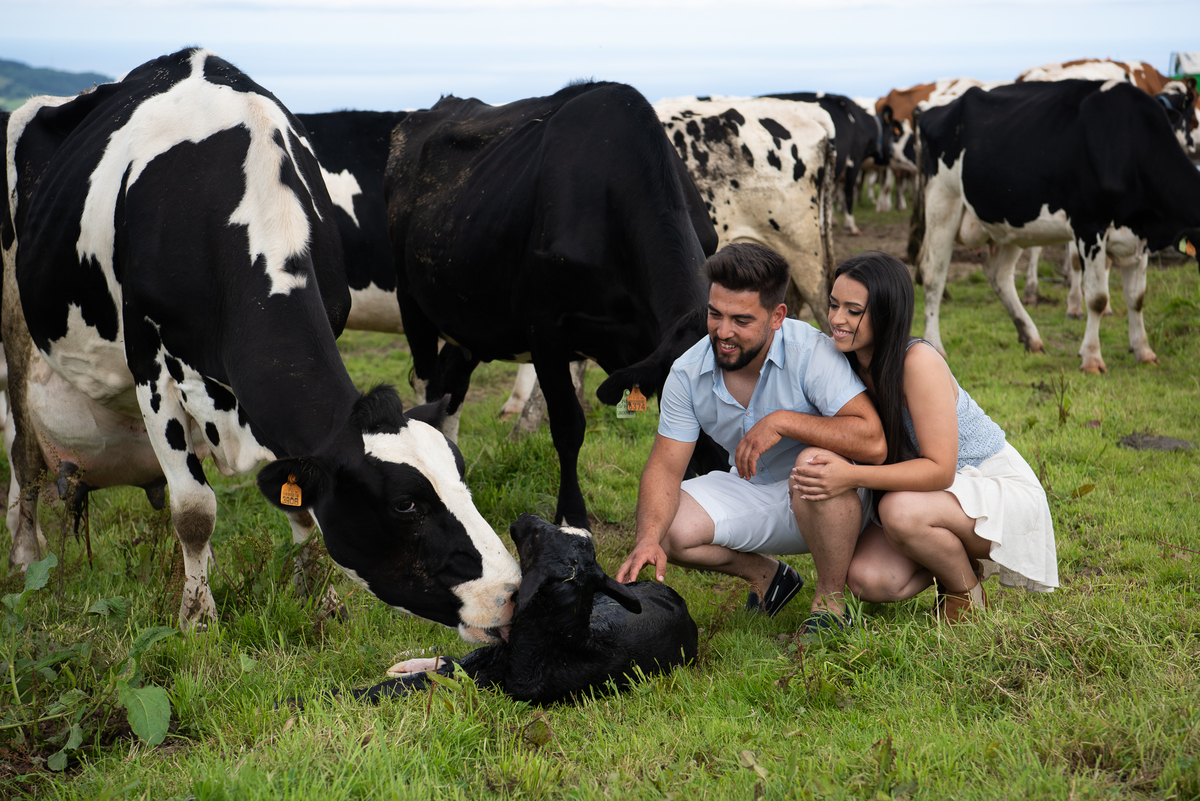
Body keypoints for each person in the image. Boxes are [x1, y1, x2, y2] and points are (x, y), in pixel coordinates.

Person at [614, 242, 887, 633]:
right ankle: (770, 578)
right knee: (670, 527)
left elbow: (873, 441)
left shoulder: (810, 351)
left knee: (811, 462)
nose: (723, 332)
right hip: (756, 489)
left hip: (833, 497)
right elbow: (664, 466)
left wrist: (782, 421)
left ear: (777, 316)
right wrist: (648, 538)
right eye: (715, 314)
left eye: (741, 320)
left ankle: (830, 602)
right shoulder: (687, 372)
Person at [791, 251, 1058, 621]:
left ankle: (965, 591)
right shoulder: (844, 361)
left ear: (886, 312)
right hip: (928, 499)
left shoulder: (916, 361)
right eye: (833, 305)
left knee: (899, 511)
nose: (836, 319)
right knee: (868, 580)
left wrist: (850, 476)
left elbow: (940, 471)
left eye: (853, 311)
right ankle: (954, 560)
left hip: (990, 486)